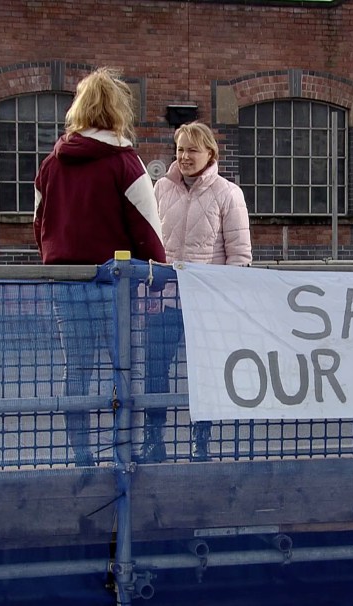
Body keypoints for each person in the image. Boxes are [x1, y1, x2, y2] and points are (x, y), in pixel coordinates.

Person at [34, 66, 166, 467]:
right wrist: (157, 274)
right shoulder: (125, 162)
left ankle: (81, 454)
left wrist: (55, 257)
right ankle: (121, 449)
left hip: (65, 280)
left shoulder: (52, 164)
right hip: (115, 282)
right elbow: (147, 227)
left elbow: (39, 223)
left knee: (76, 368)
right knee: (123, 366)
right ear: (117, 110)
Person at [142, 121, 252, 463]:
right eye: (180, 149)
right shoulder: (160, 189)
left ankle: (200, 441)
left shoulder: (228, 193)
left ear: (210, 153)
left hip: (206, 304)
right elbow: (150, 242)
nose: (185, 156)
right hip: (164, 300)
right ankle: (153, 439)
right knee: (154, 372)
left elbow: (239, 254)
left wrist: (227, 298)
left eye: (192, 149)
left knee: (203, 374)